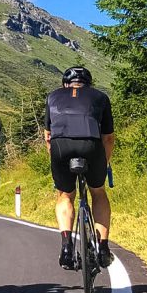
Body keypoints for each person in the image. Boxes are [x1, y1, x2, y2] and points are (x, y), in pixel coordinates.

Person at [45, 66, 116, 269]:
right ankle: (103, 247)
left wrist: (57, 158)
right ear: (89, 83)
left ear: (65, 84)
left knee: (65, 195)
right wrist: (105, 162)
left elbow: (48, 137)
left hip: (60, 146)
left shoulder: (52, 97)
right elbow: (108, 137)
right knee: (98, 192)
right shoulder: (100, 97)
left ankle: (67, 245)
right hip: (91, 145)